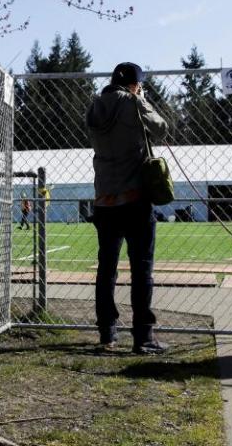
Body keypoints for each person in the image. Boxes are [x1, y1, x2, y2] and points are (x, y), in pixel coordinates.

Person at [85, 62, 169, 355]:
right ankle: (143, 336)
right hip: (134, 198)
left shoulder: (94, 106)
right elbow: (161, 128)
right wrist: (141, 99)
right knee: (141, 269)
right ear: (135, 84)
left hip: (104, 199)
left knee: (106, 269)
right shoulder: (134, 102)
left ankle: (107, 332)